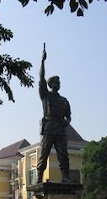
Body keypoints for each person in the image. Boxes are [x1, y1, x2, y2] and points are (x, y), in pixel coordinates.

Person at [37, 44, 72, 183]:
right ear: (52, 84)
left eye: (60, 82)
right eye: (57, 82)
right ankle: (39, 177)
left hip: (60, 128)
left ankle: (65, 176)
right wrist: (42, 61)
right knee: (44, 153)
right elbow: (41, 77)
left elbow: (69, 116)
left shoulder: (64, 100)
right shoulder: (45, 96)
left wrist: (67, 122)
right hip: (49, 127)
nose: (59, 83)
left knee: (63, 154)